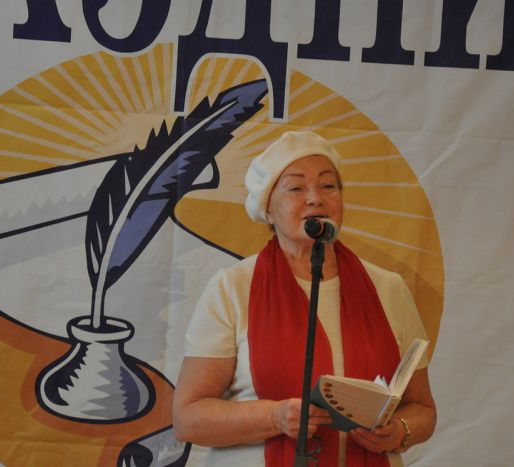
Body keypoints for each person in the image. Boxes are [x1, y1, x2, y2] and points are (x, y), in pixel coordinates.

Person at [173, 131, 436, 466]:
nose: (315, 199)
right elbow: (188, 418)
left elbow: (422, 409)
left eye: (328, 186)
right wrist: (274, 417)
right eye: (296, 188)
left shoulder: (389, 288)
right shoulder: (232, 287)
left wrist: (399, 430)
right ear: (268, 209)